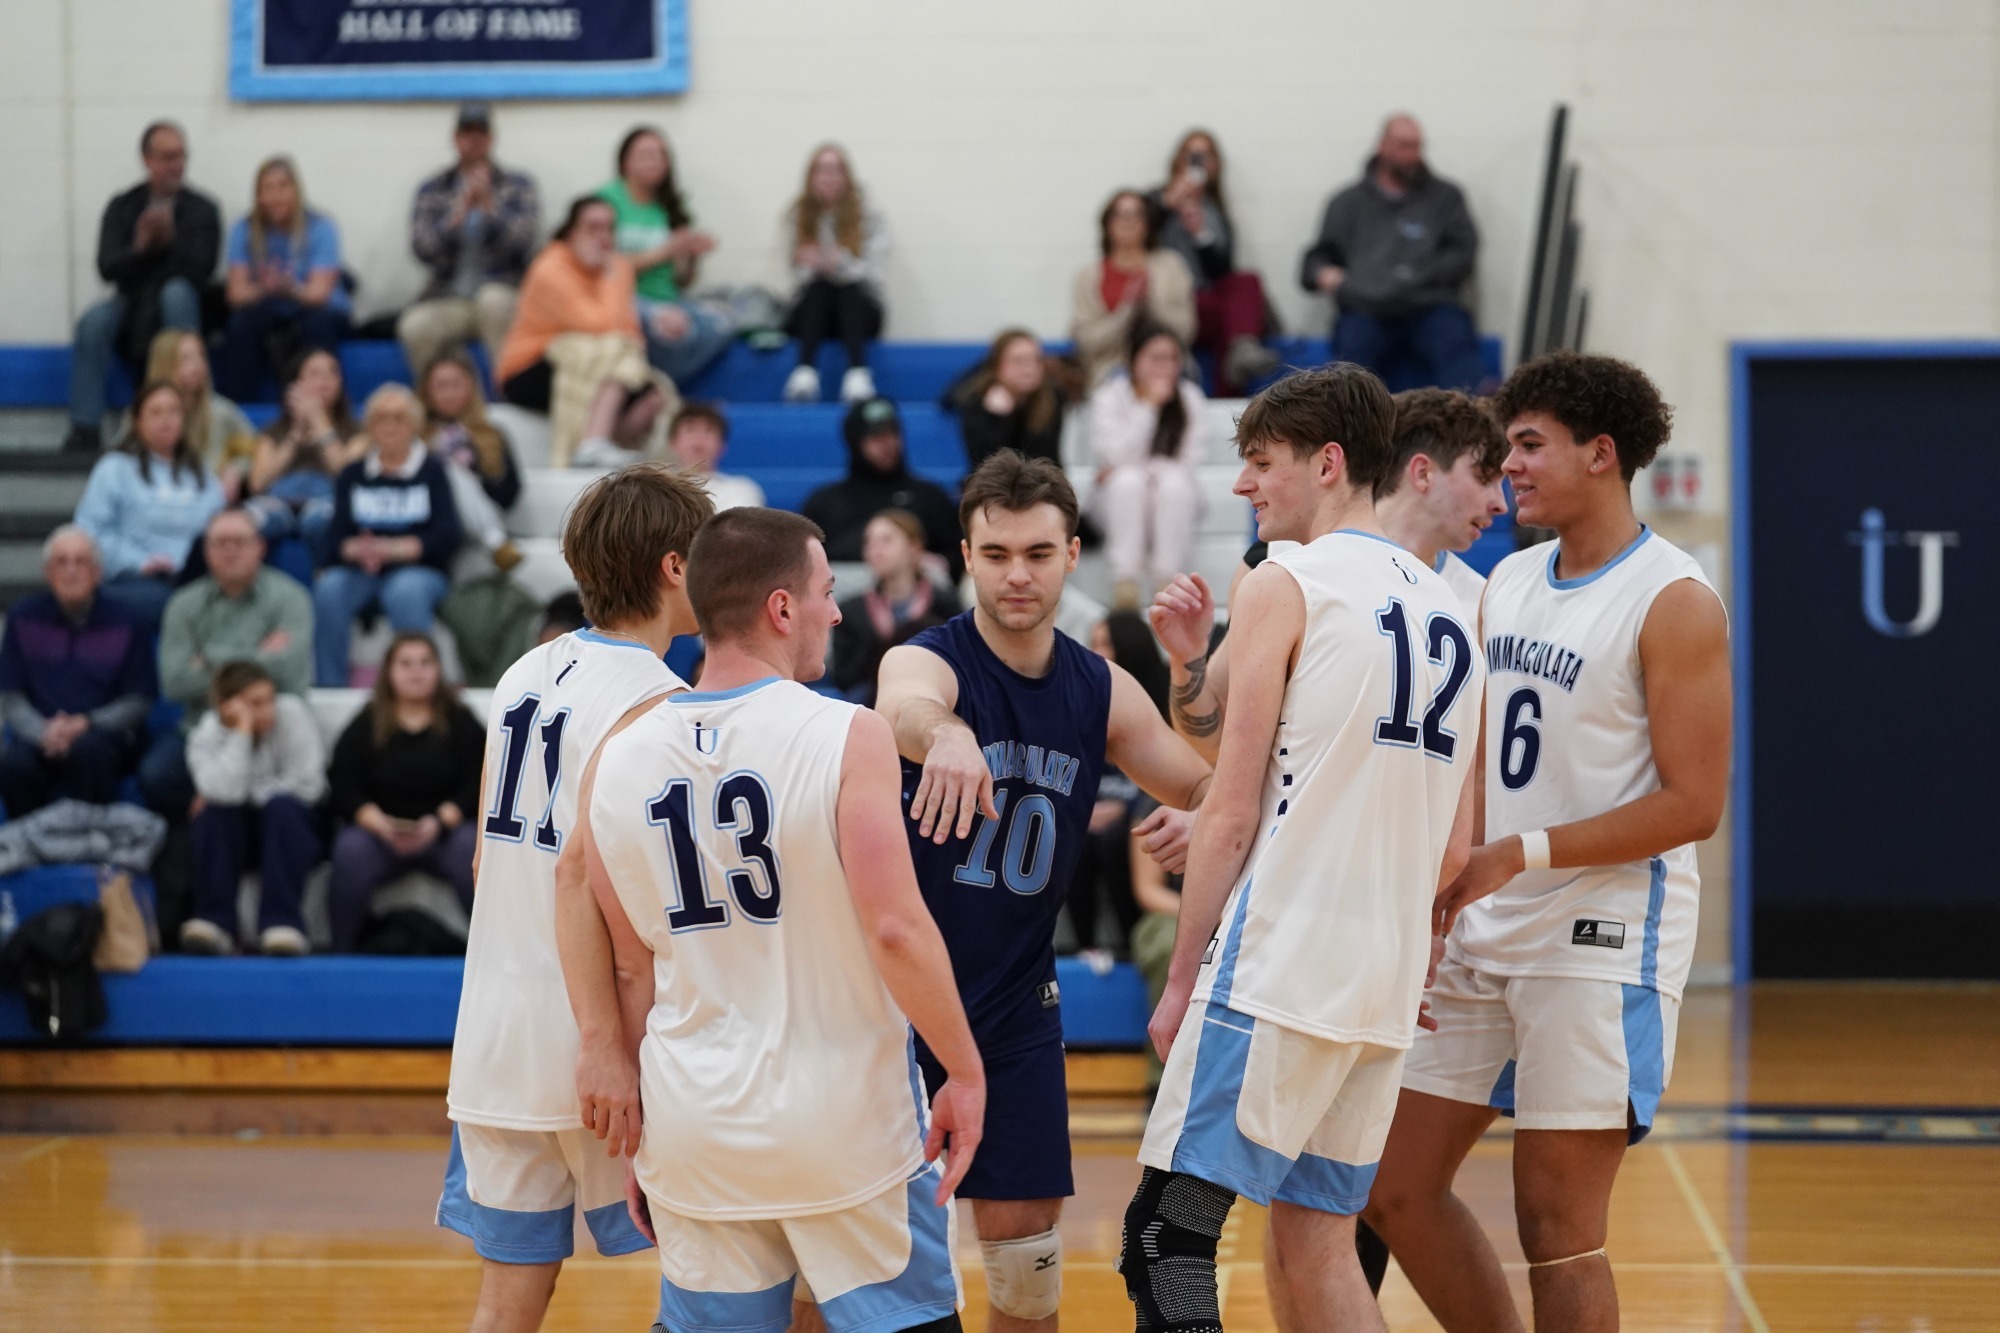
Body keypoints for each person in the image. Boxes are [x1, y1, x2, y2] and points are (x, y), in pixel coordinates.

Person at [1366, 353, 1730, 1333]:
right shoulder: (1508, 579)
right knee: (1390, 1186)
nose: (1508, 467)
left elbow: (1694, 803)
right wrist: (1444, 879)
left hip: (1599, 937)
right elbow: (1476, 766)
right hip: (1488, 917)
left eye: (1526, 446)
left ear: (1599, 454)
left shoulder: (1673, 598)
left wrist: (1513, 856)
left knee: (1555, 1226)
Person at [1118, 362, 1482, 1331]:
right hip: (1380, 980)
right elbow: (1456, 845)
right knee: (1320, 1246)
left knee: (1166, 1239)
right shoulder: (1455, 608)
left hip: (1276, 967)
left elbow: (1229, 811)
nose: (1242, 485)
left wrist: (1183, 974)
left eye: (1259, 462)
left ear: (1326, 463)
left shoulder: (1290, 581)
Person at [570, 505, 985, 1333]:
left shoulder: (615, 758)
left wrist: (652, 1129)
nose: (836, 609)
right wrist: (965, 1071)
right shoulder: (846, 732)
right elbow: (896, 929)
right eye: (826, 591)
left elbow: (631, 965)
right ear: (781, 608)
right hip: (845, 1125)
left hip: (695, 1121)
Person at [875, 451, 1212, 1332]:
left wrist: (1190, 681)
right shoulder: (928, 660)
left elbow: (1210, 788)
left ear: (1071, 554)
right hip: (892, 1003)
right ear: (964, 555)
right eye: (995, 555)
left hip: (1018, 1008)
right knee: (856, 1275)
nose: (1016, 574)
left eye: (1035, 553)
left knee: (1027, 1276)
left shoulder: (1098, 685)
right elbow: (905, 704)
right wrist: (944, 735)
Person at [440, 463, 713, 1329]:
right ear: (676, 568)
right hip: (601, 1044)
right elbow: (622, 900)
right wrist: (615, 1042)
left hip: (492, 1040)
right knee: (726, 1275)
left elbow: (489, 860)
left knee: (509, 1299)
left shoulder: (523, 671)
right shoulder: (663, 704)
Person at [149, 507, 316, 821]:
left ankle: (222, 807)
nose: (229, 551)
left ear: (260, 548)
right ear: (206, 551)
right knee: (156, 777)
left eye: (239, 541)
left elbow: (288, 672)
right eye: (220, 543)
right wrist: (258, 657)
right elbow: (174, 683)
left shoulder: (291, 598)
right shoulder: (183, 604)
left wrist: (210, 659)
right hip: (205, 726)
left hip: (273, 725)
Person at [65, 121, 222, 456]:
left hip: (181, 306)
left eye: (181, 156)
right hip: (132, 304)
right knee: (93, 321)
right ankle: (85, 427)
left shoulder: (202, 209)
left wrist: (167, 243)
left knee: (176, 293)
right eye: (167, 157)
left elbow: (202, 270)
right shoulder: (123, 206)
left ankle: (187, 417)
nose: (176, 165)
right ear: (147, 160)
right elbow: (107, 268)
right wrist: (140, 247)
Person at [1300, 114, 1484, 392]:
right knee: (1350, 366)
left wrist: (1410, 279)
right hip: (1366, 312)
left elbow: (1463, 254)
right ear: (1382, 145)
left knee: (1457, 348)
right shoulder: (1347, 202)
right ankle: (1350, 433)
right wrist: (1323, 274)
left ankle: (1469, 431)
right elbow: (1316, 260)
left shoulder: (1446, 197)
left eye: (1416, 146)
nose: (1411, 155)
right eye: (1403, 145)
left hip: (1431, 308)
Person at [325, 633, 484, 952]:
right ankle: (342, 951)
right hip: (381, 833)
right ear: (389, 672)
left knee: (472, 845)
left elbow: (479, 782)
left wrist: (439, 822)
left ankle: (492, 952)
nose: (416, 672)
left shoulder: (461, 721)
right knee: (350, 848)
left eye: (426, 663)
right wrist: (377, 823)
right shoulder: (367, 722)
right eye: (406, 664)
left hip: (444, 833)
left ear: (439, 670)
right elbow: (343, 783)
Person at [496, 196, 668, 466]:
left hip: (598, 362)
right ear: (571, 232)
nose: (603, 236)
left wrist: (609, 272)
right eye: (593, 227)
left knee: (654, 395)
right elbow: (597, 325)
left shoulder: (618, 266)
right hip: (531, 367)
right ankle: (591, 443)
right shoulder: (550, 266)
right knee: (610, 349)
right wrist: (609, 277)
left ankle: (606, 451)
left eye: (609, 228)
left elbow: (632, 332)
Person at [312, 385, 463, 687]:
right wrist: (354, 549)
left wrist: (399, 549)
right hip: (361, 571)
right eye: (381, 418)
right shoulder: (352, 473)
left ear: (414, 425)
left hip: (418, 570)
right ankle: (330, 687)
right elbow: (335, 537)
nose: (390, 426)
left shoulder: (433, 471)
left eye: (399, 418)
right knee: (329, 588)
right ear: (369, 426)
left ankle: (418, 687)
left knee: (405, 591)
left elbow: (449, 534)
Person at [0, 527, 155, 819]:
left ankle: (92, 851)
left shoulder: (129, 620)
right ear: (47, 572)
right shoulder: (22, 617)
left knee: (89, 753)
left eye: (80, 562)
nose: (71, 571)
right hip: (41, 733)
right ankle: (32, 849)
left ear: (97, 572)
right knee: (15, 764)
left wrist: (85, 724)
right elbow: (11, 696)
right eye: (62, 562)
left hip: (105, 735)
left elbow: (140, 699)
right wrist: (43, 732)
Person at [180, 661, 327, 958]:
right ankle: (216, 923)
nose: (267, 710)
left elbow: (310, 785)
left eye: (269, 699)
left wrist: (249, 795)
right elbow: (225, 793)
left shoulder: (293, 713)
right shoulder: (204, 737)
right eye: (254, 704)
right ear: (225, 706)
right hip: (243, 832)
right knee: (211, 815)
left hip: (297, 827)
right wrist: (243, 732)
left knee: (281, 807)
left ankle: (283, 924)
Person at [397, 104, 541, 380]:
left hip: (503, 294)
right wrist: (456, 219)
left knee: (492, 301)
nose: (473, 141)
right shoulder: (434, 188)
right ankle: (440, 406)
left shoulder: (518, 185)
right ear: (455, 139)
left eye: (480, 134)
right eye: (467, 134)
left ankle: (508, 397)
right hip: (450, 297)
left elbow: (525, 244)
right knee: (414, 325)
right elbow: (421, 249)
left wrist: (491, 212)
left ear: (491, 139)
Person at [72, 379, 226, 631]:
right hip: (136, 578)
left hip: (197, 577)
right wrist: (139, 562)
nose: (165, 420)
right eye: (155, 412)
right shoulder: (114, 468)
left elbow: (219, 530)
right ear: (137, 422)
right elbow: (89, 534)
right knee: (161, 603)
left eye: (173, 411)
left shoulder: (203, 476)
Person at [1064, 611, 1167, 967]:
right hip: (1096, 807)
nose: (1097, 652)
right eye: (1093, 644)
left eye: (1105, 643)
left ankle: (1129, 941)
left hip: (1145, 806)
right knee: (1072, 832)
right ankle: (1085, 947)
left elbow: (1169, 773)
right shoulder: (1081, 700)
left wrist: (1125, 806)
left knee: (1118, 836)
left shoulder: (1162, 696)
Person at [600, 126, 734, 386]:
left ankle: (662, 377)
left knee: (725, 321)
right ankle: (654, 379)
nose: (656, 161)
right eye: (647, 154)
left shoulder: (672, 207)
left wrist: (689, 255)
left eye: (662, 155)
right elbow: (603, 266)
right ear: (625, 162)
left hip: (669, 299)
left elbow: (682, 280)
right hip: (624, 298)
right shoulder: (606, 202)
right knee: (666, 325)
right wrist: (663, 252)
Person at [1151, 130, 1278, 396]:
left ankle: (1241, 353)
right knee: (1227, 316)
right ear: (1178, 160)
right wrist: (1167, 202)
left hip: (1209, 302)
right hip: (1174, 302)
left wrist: (1201, 235)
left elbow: (1222, 274)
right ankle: (1238, 355)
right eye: (1192, 155)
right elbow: (1136, 227)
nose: (1198, 162)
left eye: (1205, 156)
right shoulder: (1156, 201)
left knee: (1246, 284)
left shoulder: (1216, 213)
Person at [1086, 322, 1206, 606]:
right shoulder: (1109, 396)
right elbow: (1114, 454)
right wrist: (1149, 407)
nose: (1164, 367)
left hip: (1169, 491)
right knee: (1128, 482)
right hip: (1121, 495)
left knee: (1173, 484)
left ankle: (1166, 580)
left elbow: (1189, 460)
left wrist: (1147, 469)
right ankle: (1125, 583)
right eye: (1155, 358)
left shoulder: (1190, 398)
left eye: (1172, 358)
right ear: (1134, 359)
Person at [216, 156, 352, 402]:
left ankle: (323, 406)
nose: (276, 196)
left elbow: (318, 293)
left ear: (296, 190)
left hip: (316, 308)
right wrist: (264, 288)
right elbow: (236, 294)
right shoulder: (243, 229)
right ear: (258, 195)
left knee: (318, 323)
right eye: (268, 189)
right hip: (268, 306)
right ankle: (242, 407)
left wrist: (289, 288)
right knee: (240, 324)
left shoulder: (321, 227)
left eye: (283, 186)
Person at [802, 397, 962, 577]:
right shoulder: (825, 503)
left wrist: (939, 563)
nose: (888, 444)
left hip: (918, 592)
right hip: (842, 594)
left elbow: (957, 555)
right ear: (856, 443)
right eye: (876, 437)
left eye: (893, 433)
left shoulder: (930, 496)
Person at [781, 144, 891, 404]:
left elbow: (874, 275)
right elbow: (799, 276)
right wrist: (823, 266)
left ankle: (857, 374)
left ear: (847, 176)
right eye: (821, 169)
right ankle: (805, 373)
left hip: (860, 313)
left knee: (848, 289)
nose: (828, 176)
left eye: (835, 169)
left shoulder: (872, 216)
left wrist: (837, 263)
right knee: (819, 289)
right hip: (813, 313)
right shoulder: (796, 216)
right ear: (810, 177)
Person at [244, 348, 363, 577]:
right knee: (251, 520)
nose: (325, 380)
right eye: (315, 373)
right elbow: (257, 485)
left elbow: (346, 473)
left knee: (319, 521)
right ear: (296, 384)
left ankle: (325, 578)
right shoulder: (274, 431)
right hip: (279, 502)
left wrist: (319, 423)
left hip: (327, 501)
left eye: (332, 373)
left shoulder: (356, 431)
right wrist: (296, 435)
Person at [830, 509, 961, 704]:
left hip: (938, 694)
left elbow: (960, 663)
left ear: (914, 548)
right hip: (872, 701)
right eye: (869, 542)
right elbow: (844, 678)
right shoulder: (850, 609)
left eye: (886, 540)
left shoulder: (944, 603)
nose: (875, 549)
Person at [1069, 190, 1195, 389]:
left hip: (1168, 364)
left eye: (1137, 214)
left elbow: (1186, 330)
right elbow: (1087, 342)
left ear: (1148, 223)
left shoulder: (1171, 266)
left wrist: (1150, 303)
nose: (1128, 221)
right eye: (1119, 214)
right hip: (1113, 367)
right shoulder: (1089, 276)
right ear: (1107, 223)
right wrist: (1126, 310)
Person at [419, 351, 524, 570]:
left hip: (478, 514)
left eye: (455, 384)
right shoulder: (414, 437)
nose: (449, 393)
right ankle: (496, 542)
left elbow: (510, 493)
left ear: (471, 387)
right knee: (445, 468)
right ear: (426, 391)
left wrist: (473, 468)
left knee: (453, 471)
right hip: (430, 520)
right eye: (441, 385)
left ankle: (494, 537)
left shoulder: (492, 434)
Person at [133, 330, 256, 487]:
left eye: (201, 356)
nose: (197, 365)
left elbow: (253, 451)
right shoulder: (142, 413)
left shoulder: (221, 412)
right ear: (165, 364)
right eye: (186, 358)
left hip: (209, 497)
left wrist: (236, 470)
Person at [946, 329, 1067, 471]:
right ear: (997, 366)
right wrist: (999, 419)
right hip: (993, 487)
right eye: (1018, 361)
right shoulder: (976, 403)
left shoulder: (1052, 400)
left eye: (1036, 360)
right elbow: (984, 465)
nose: (1029, 369)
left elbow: (1049, 461)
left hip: (1040, 485)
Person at [664, 402, 764, 510]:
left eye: (708, 430)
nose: (699, 438)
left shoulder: (742, 489)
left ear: (722, 445)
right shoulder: (660, 491)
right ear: (672, 442)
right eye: (690, 429)